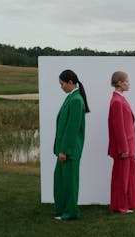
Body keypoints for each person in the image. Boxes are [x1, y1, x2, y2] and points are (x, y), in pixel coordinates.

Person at [54, 69, 90, 220]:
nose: (61, 87)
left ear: (70, 82)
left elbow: (72, 129)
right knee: (61, 180)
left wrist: (65, 150)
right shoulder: (71, 97)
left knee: (69, 182)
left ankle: (71, 212)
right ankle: (62, 209)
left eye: (62, 84)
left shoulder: (76, 100)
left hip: (70, 150)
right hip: (65, 149)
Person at [108, 71, 135, 213]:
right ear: (119, 83)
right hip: (124, 149)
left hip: (130, 147)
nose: (129, 83)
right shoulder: (116, 101)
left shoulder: (121, 99)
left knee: (132, 176)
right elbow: (118, 127)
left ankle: (132, 204)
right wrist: (123, 149)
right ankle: (120, 206)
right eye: (127, 81)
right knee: (121, 178)